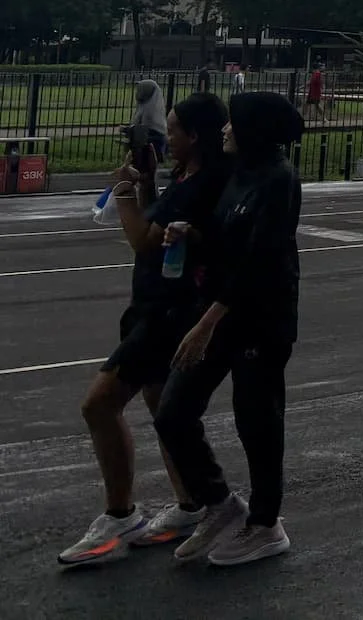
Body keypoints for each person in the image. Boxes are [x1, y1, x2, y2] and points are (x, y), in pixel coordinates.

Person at [57, 93, 230, 567]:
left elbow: (145, 241)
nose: (165, 138)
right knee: (161, 407)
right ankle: (190, 504)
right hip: (152, 303)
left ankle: (120, 515)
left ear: (195, 136)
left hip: (168, 313)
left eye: (173, 131)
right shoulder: (186, 175)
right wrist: (149, 184)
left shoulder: (207, 182)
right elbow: (158, 223)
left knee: (99, 404)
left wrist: (127, 194)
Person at [151, 90, 304, 567]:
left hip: (259, 319)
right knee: (173, 411)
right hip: (218, 310)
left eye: (233, 123)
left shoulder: (279, 181)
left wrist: (206, 324)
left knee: (256, 419)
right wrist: (191, 234)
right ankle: (219, 504)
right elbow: (225, 238)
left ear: (253, 130)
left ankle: (265, 523)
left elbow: (259, 261)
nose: (224, 130)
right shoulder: (240, 173)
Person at [126, 80, 169, 210]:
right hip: (144, 144)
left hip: (150, 145)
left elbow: (148, 130)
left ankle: (150, 204)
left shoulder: (152, 113)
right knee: (145, 178)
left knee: (148, 177)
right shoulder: (143, 107)